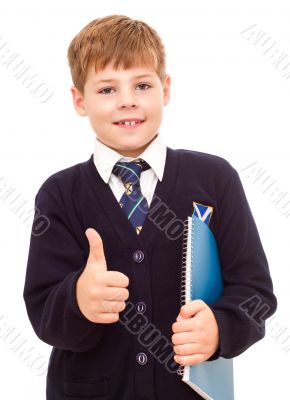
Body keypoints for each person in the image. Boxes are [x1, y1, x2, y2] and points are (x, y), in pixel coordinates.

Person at [23, 15, 277, 400]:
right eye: (107, 89)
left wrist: (221, 327)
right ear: (79, 100)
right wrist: (79, 299)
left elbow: (255, 291)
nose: (127, 100)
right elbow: (43, 312)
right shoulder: (59, 194)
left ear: (166, 89)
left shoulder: (215, 179)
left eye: (142, 85)